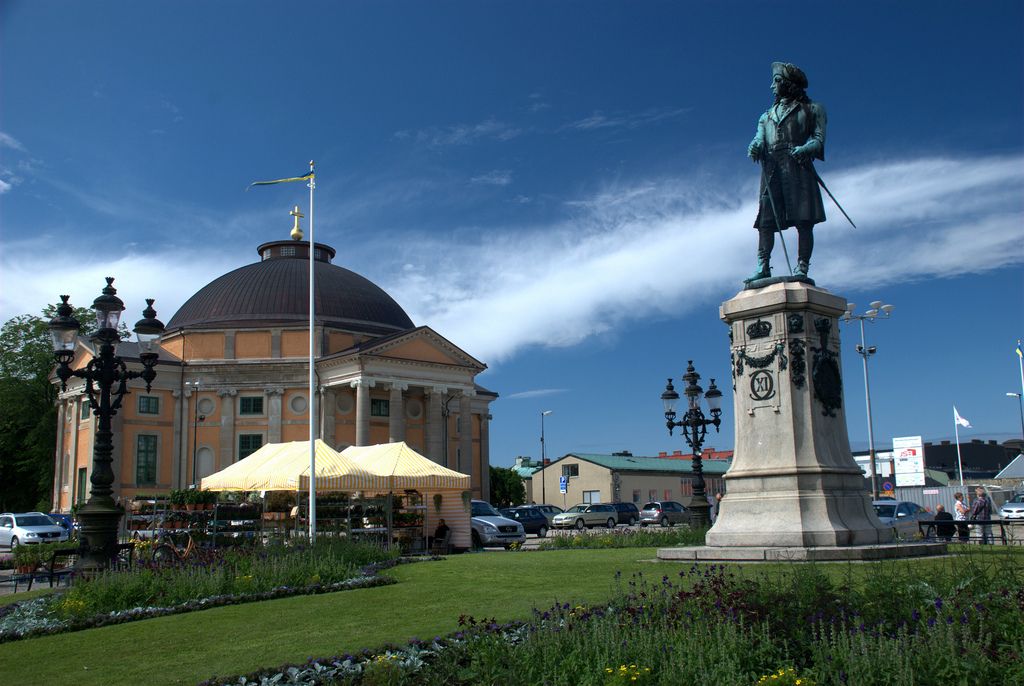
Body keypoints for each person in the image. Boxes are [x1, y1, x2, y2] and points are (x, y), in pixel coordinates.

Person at [746, 62, 827, 282]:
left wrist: (804, 149)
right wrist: (754, 146)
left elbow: (818, 141)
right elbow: (758, 138)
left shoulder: (812, 109)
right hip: (772, 167)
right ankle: (763, 264)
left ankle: (802, 266)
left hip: (797, 166)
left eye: (777, 81)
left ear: (789, 84)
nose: (772, 86)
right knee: (766, 221)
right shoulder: (766, 116)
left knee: (804, 219)